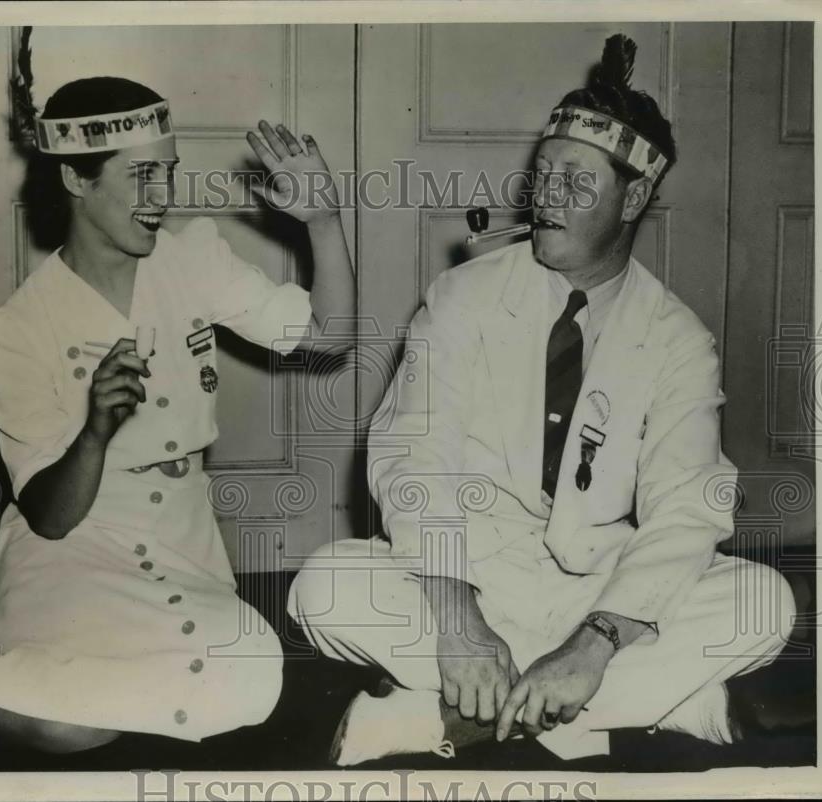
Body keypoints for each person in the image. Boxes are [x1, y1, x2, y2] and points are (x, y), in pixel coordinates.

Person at [287, 34, 795, 765]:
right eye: (543, 176)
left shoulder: (678, 338)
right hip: (468, 572)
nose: (547, 198)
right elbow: (412, 456)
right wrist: (459, 618)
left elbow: (688, 508)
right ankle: (636, 711)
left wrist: (591, 646)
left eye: (577, 182)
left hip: (597, 591)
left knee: (766, 604)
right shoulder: (464, 296)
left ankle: (438, 722)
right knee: (323, 588)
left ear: (636, 197)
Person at [0, 73, 355, 753]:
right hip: (71, 546)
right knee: (70, 725)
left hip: (182, 541)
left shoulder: (193, 261)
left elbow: (331, 336)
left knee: (242, 678)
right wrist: (95, 432)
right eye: (140, 176)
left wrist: (324, 223)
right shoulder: (14, 328)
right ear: (78, 179)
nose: (162, 197)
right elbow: (52, 514)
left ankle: (1, 675)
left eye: (166, 172)